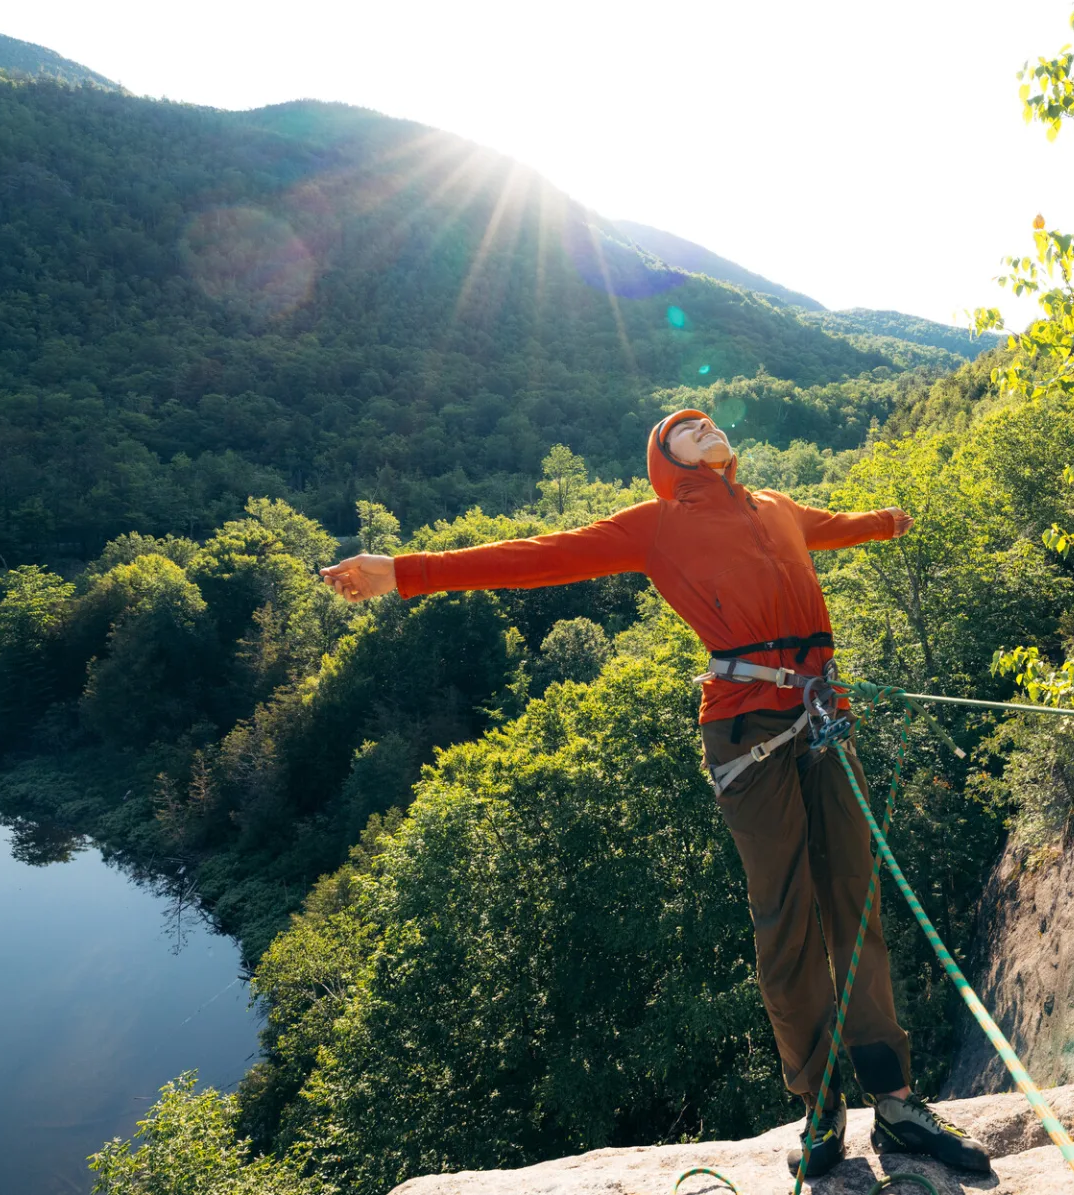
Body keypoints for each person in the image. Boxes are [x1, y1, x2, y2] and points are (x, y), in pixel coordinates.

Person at [320, 409, 991, 1178]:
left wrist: (894, 521)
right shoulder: (658, 523)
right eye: (683, 425)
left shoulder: (776, 508)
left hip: (823, 715)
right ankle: (820, 1107)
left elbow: (839, 525)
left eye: (706, 418)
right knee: (786, 919)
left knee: (855, 902)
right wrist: (403, 571)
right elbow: (536, 558)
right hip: (747, 733)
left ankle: (897, 1104)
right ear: (663, 459)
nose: (701, 424)